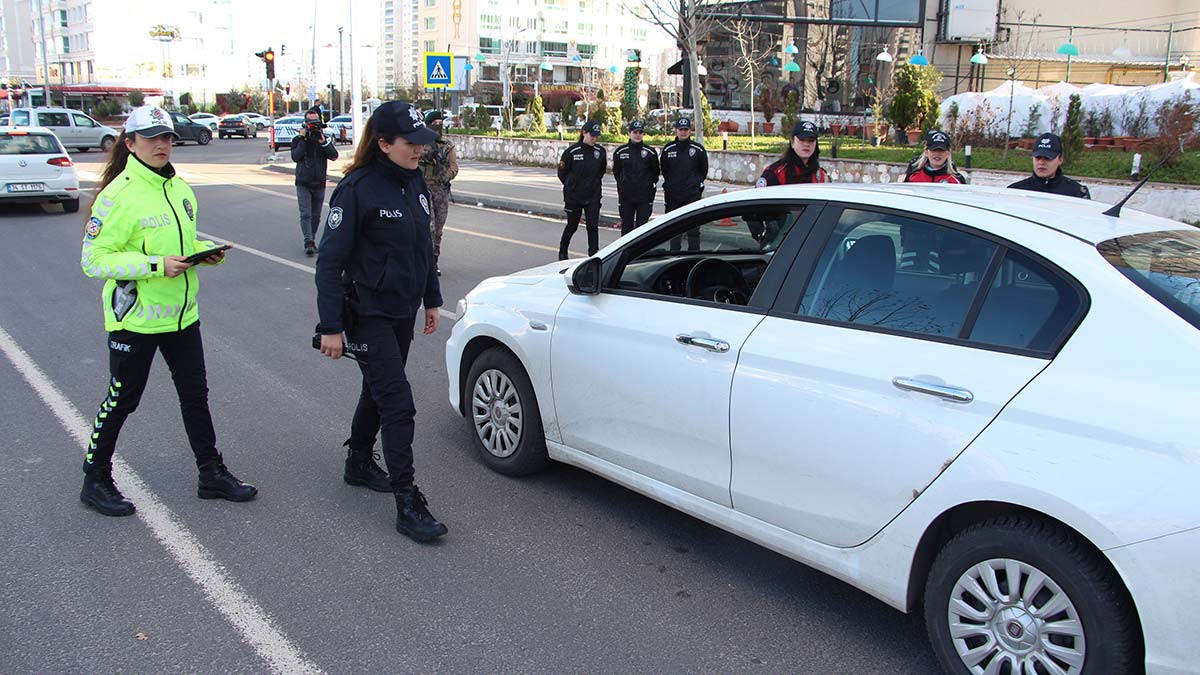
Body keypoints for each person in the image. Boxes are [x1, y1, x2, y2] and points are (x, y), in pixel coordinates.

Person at [79, 105, 257, 517]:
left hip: (181, 315)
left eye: (167, 137)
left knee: (196, 396)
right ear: (130, 143)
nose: (162, 145)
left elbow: (180, 243)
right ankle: (95, 478)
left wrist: (202, 256)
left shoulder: (179, 188)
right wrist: (155, 266)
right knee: (122, 399)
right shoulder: (117, 196)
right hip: (137, 320)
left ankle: (210, 472)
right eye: (151, 138)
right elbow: (94, 260)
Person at [314, 100, 448, 543]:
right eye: (411, 144)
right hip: (367, 313)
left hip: (402, 312)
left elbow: (424, 249)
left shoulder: (416, 186)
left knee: (377, 389)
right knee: (398, 403)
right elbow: (329, 262)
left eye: (422, 144)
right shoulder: (357, 189)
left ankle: (357, 463)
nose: (420, 151)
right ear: (384, 143)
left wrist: (431, 300)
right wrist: (330, 326)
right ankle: (407, 502)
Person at [292, 106, 339, 256]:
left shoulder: (323, 139)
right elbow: (296, 156)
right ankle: (309, 241)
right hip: (303, 182)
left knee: (316, 215)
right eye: (310, 122)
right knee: (305, 213)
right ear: (305, 123)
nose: (313, 125)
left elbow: (333, 155)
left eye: (316, 122)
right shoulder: (298, 139)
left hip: (319, 182)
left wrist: (322, 141)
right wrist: (303, 139)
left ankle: (311, 237)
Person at [556, 120, 607, 260]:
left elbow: (600, 172)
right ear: (584, 133)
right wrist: (571, 186)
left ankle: (594, 255)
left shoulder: (600, 152)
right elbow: (562, 173)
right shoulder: (572, 152)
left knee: (592, 226)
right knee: (572, 225)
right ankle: (563, 250)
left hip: (593, 197)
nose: (595, 139)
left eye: (597, 136)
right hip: (574, 198)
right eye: (592, 135)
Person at [418, 109, 459, 275]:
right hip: (422, 189)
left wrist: (445, 176)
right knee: (429, 227)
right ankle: (425, 261)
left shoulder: (447, 146)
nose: (438, 126)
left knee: (439, 229)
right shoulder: (419, 143)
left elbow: (454, 167)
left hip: (440, 191)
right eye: (434, 123)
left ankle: (434, 261)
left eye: (440, 123)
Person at [660, 117, 709, 251]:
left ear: (690, 131)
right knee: (674, 230)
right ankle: (674, 256)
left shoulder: (698, 150)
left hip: (692, 196)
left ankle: (693, 257)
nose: (683, 132)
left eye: (686, 129)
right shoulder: (668, 149)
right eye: (681, 129)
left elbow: (703, 170)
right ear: (676, 130)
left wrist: (696, 184)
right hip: (673, 197)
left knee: (693, 230)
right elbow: (665, 170)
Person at [1007, 132, 1091, 199]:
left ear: (1060, 159)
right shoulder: (1015, 192)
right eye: (1038, 157)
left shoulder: (1077, 193)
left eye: (1047, 158)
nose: (1041, 162)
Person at [612, 120, 660, 235]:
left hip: (644, 198)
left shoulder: (650, 153)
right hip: (626, 197)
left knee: (642, 231)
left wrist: (648, 187)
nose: (638, 135)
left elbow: (655, 173)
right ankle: (626, 253)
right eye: (635, 132)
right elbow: (617, 172)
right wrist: (623, 185)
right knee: (626, 229)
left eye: (640, 132)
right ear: (629, 133)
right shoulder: (620, 152)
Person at [756, 121, 831, 187]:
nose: (806, 144)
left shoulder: (821, 175)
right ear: (792, 143)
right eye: (802, 140)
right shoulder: (775, 173)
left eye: (811, 140)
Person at [903, 129, 967, 184]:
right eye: (933, 150)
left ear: (948, 153)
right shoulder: (913, 176)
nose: (937, 154)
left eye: (941, 150)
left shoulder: (957, 180)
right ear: (926, 152)